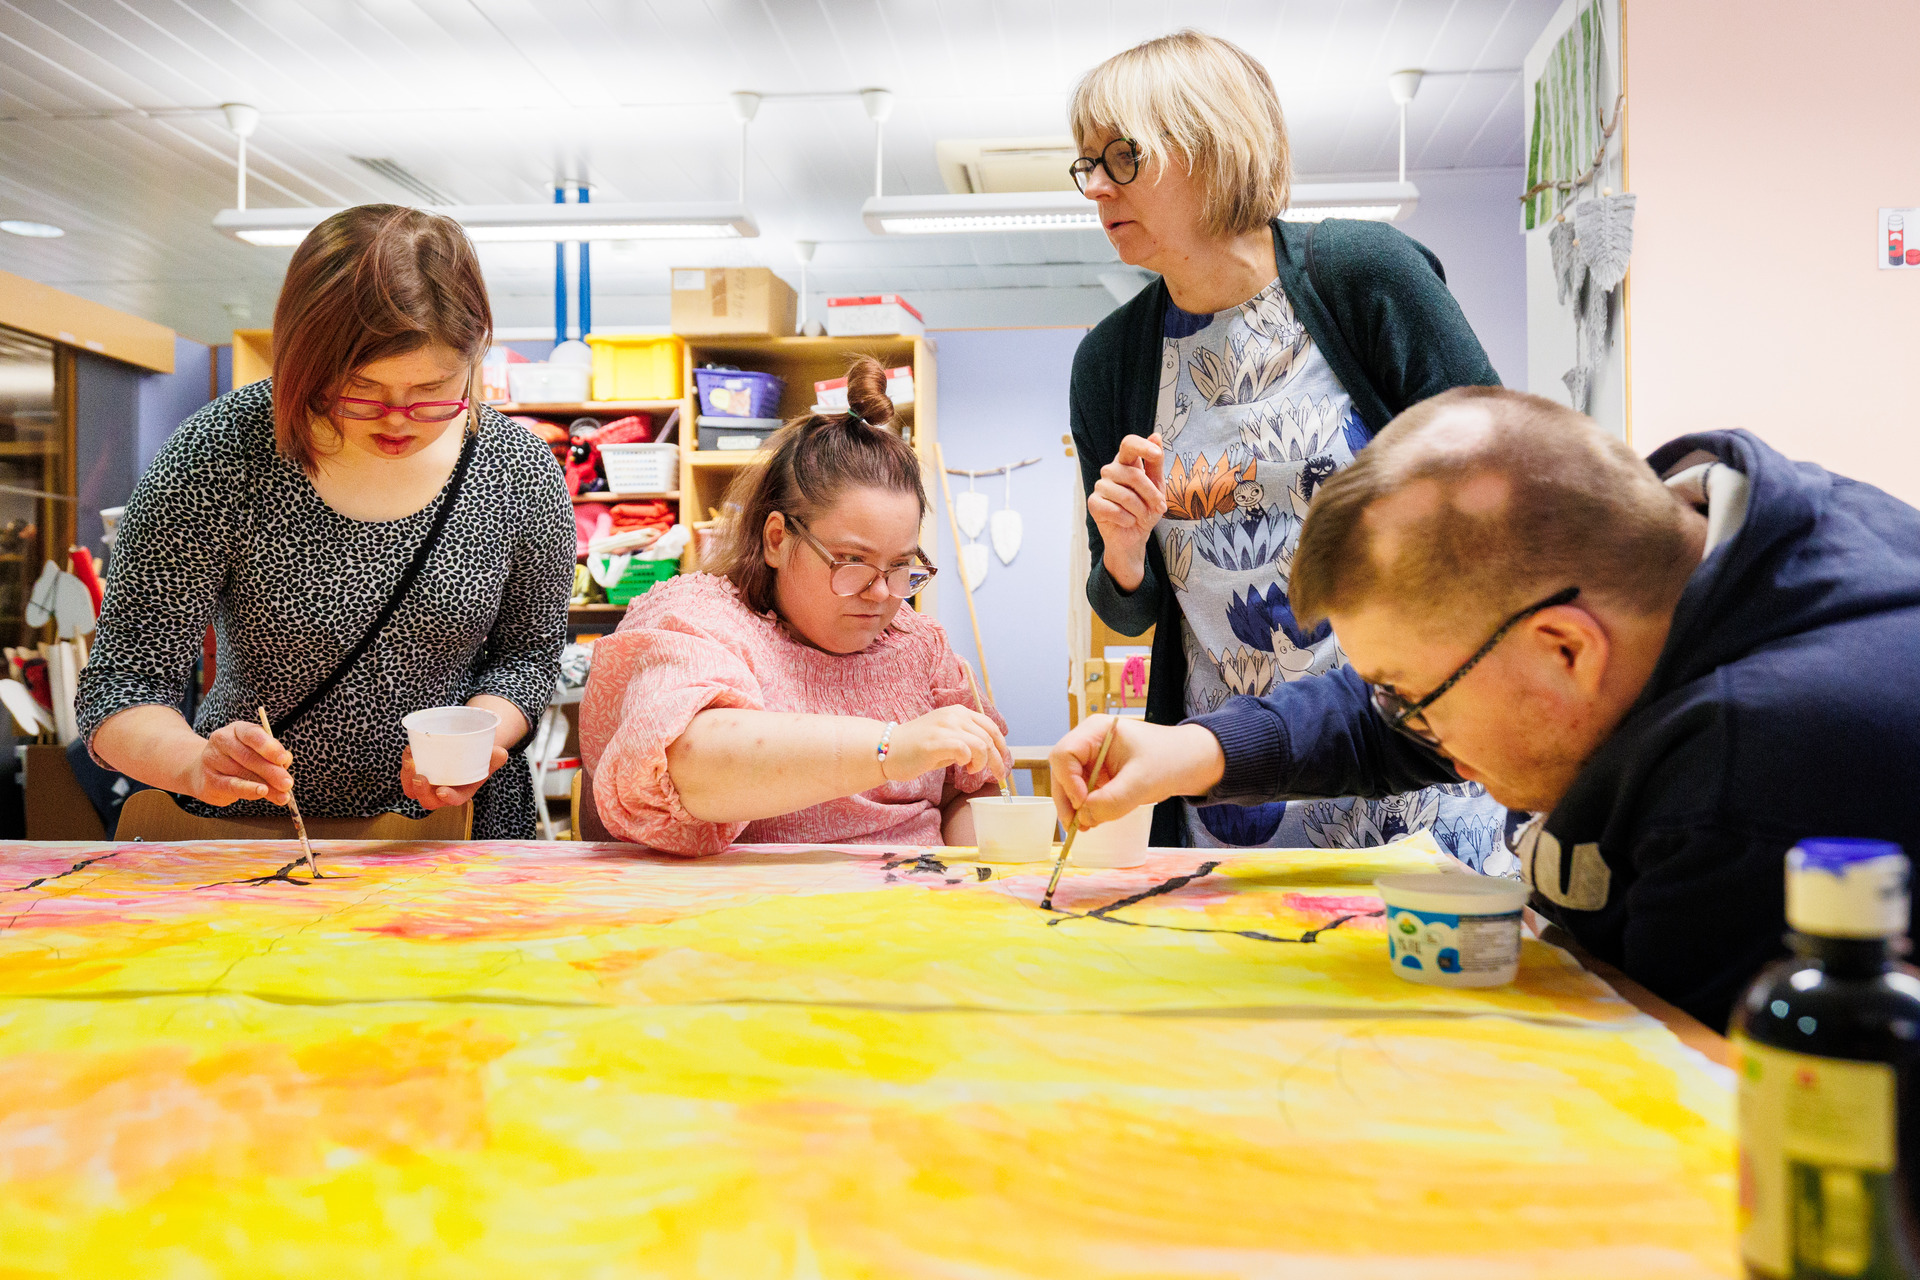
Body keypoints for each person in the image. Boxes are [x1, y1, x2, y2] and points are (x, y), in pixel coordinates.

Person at [1051, 385, 1920, 1029]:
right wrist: (1186, 750)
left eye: (1416, 698)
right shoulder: (1673, 545)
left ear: (1566, 649)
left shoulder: (1764, 770)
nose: (1406, 723)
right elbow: (1389, 708)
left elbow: (1664, 1111)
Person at [1066, 29, 1509, 864]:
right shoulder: (1111, 361)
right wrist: (1122, 551)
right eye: (1087, 163)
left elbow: (1506, 493)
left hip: (1412, 770)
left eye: (1123, 156)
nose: (1096, 186)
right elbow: (1129, 608)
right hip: (1232, 789)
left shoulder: (1362, 276)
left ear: (1210, 147)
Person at [79, 205, 575, 839]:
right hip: (255, 836)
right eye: (361, 390)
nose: (397, 419)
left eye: (433, 390)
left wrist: (478, 740)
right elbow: (123, 681)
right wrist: (193, 764)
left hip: (457, 833)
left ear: (474, 355)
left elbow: (527, 658)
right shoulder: (221, 454)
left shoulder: (515, 467)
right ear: (303, 361)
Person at [579, 357, 1009, 857]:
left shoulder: (918, 645)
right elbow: (686, 762)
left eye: (899, 565)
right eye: (852, 561)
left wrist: (978, 871)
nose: (881, 593)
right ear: (777, 539)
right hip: (749, 901)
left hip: (913, 894)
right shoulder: (696, 620)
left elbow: (969, 787)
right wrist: (892, 748)